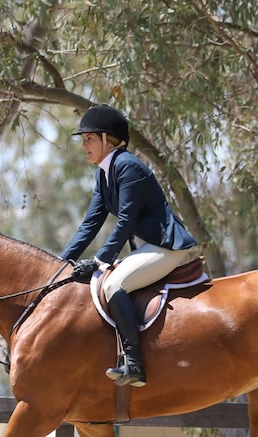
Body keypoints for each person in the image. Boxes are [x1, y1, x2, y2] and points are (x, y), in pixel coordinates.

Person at [61, 104, 199, 387]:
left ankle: (134, 363)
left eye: (89, 139)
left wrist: (99, 261)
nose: (84, 145)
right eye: (83, 140)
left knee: (113, 285)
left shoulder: (127, 166)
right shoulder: (104, 173)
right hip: (150, 246)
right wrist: (60, 263)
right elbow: (90, 224)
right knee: (104, 280)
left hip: (167, 246)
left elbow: (125, 221)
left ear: (108, 140)